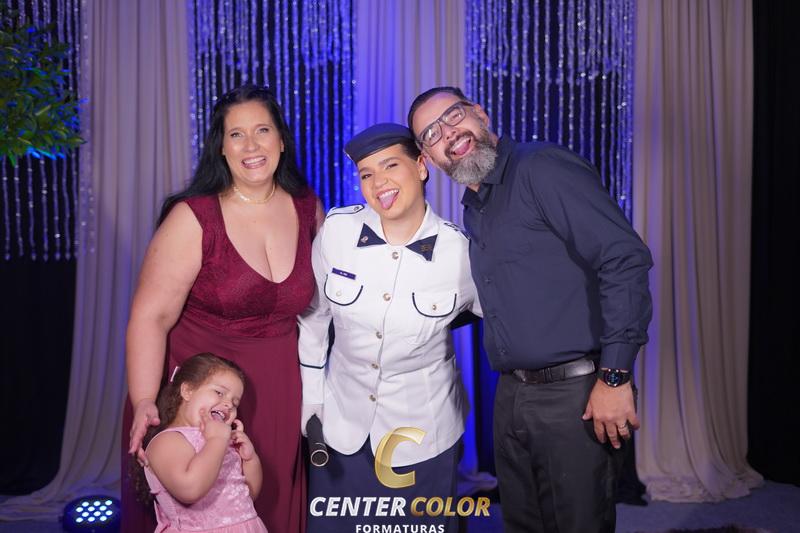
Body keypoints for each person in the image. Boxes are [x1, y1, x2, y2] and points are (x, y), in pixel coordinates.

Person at [408, 87, 653, 533]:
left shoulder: (540, 168)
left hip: (574, 395)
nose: (448, 134)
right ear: (429, 158)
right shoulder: (475, 208)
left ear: (480, 113)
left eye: (453, 116)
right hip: (512, 396)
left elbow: (623, 259)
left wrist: (615, 376)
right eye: (432, 134)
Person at [123, 84, 323, 533]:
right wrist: (144, 399)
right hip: (198, 393)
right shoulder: (193, 217)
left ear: (281, 140)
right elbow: (150, 317)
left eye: (262, 130)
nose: (251, 145)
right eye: (236, 134)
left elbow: (328, 307)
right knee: (203, 510)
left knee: (267, 506)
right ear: (221, 147)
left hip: (277, 389)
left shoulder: (309, 209)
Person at [297, 123, 481, 532]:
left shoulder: (462, 253)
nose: (378, 182)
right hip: (341, 428)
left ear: (421, 166)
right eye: (366, 173)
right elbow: (314, 319)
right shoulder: (337, 232)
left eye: (391, 165)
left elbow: (507, 319)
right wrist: (312, 402)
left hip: (424, 436)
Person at [132, 353, 268, 532]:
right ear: (187, 390)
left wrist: (250, 459)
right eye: (219, 393)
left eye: (234, 403)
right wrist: (217, 440)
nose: (228, 404)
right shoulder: (167, 441)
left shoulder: (220, 441)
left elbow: (247, 497)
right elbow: (190, 489)